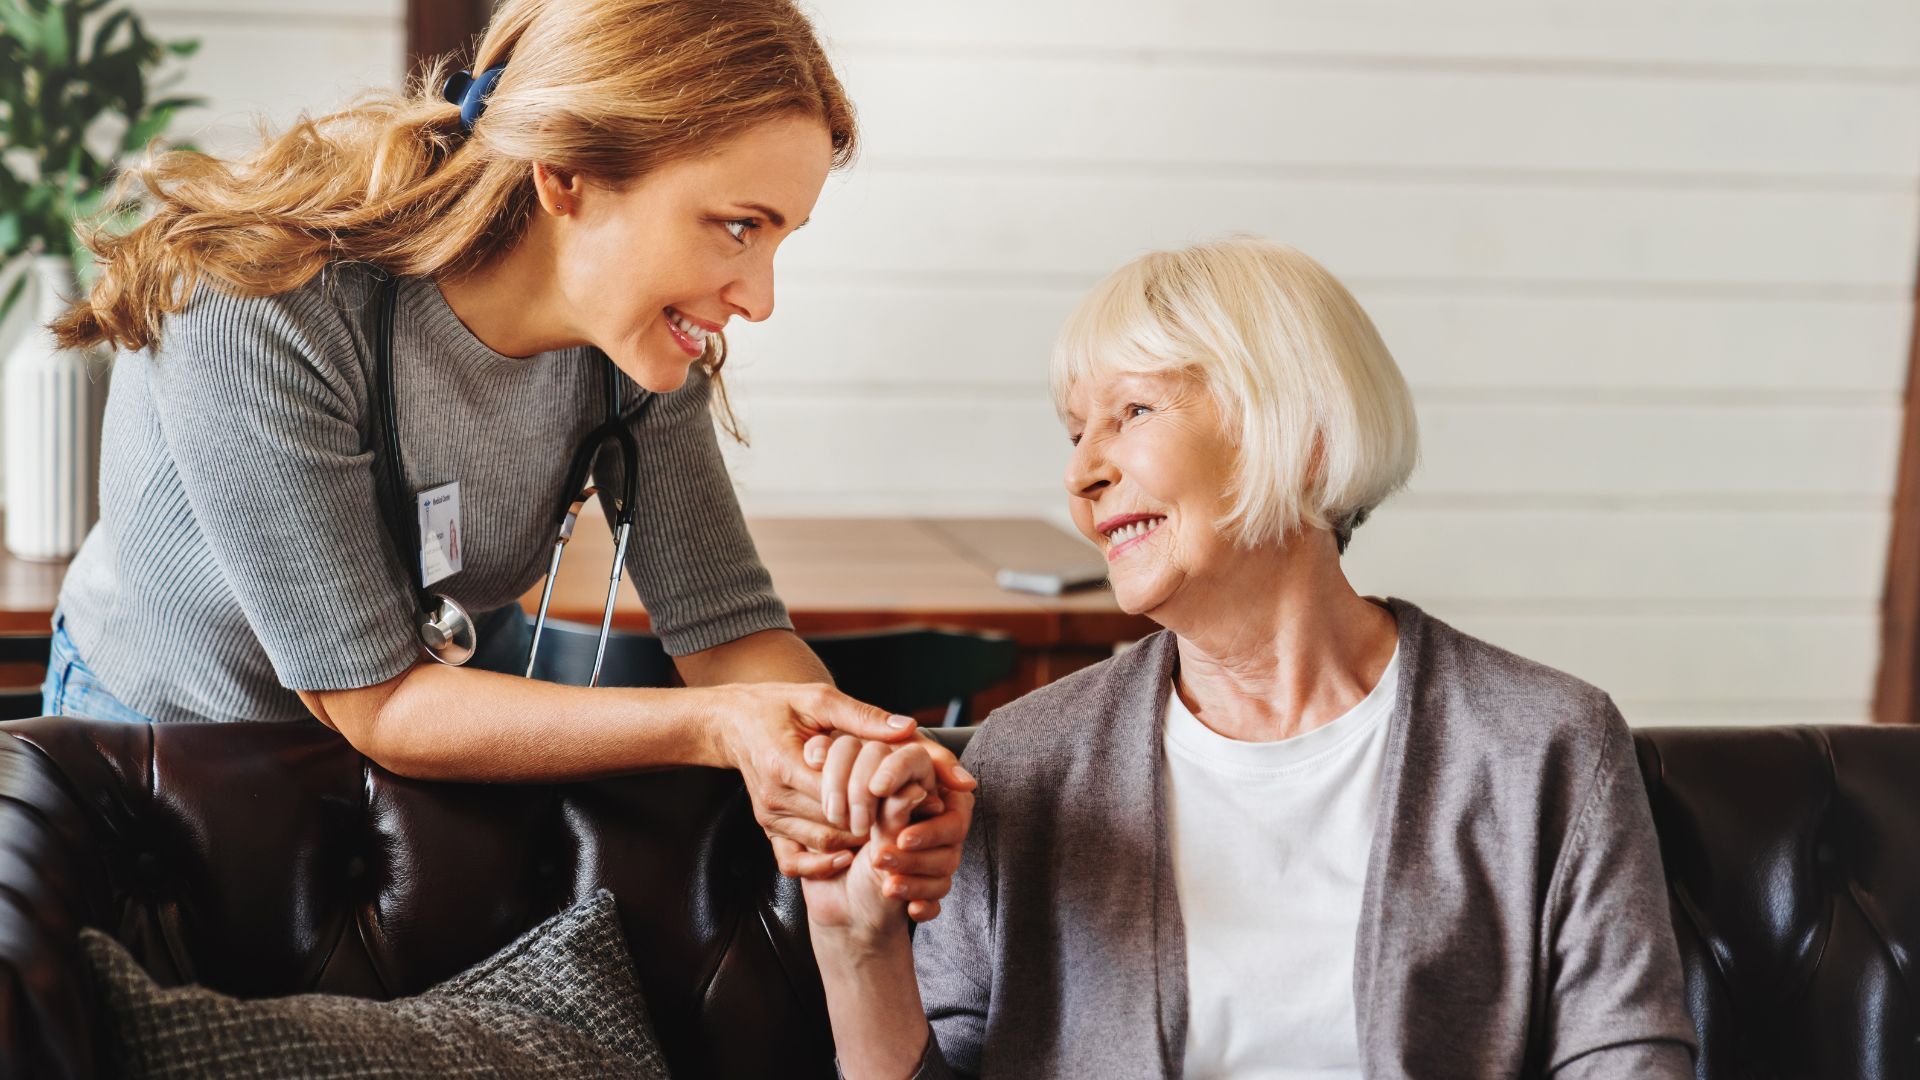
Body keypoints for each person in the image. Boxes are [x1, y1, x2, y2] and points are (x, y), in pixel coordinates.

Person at [41, 0, 970, 894]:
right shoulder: (262, 305)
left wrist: (856, 759)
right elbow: (381, 705)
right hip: (164, 747)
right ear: (565, 174)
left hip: (424, 740)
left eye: (780, 239)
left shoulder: (634, 348)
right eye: (738, 226)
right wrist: (725, 727)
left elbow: (729, 632)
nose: (760, 299)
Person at [803, 238, 1697, 1078]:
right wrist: (857, 947)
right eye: (1075, 431)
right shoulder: (1027, 758)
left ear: (1302, 433)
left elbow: (1624, 1058)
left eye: (1133, 412)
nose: (1082, 472)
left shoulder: (1541, 743)